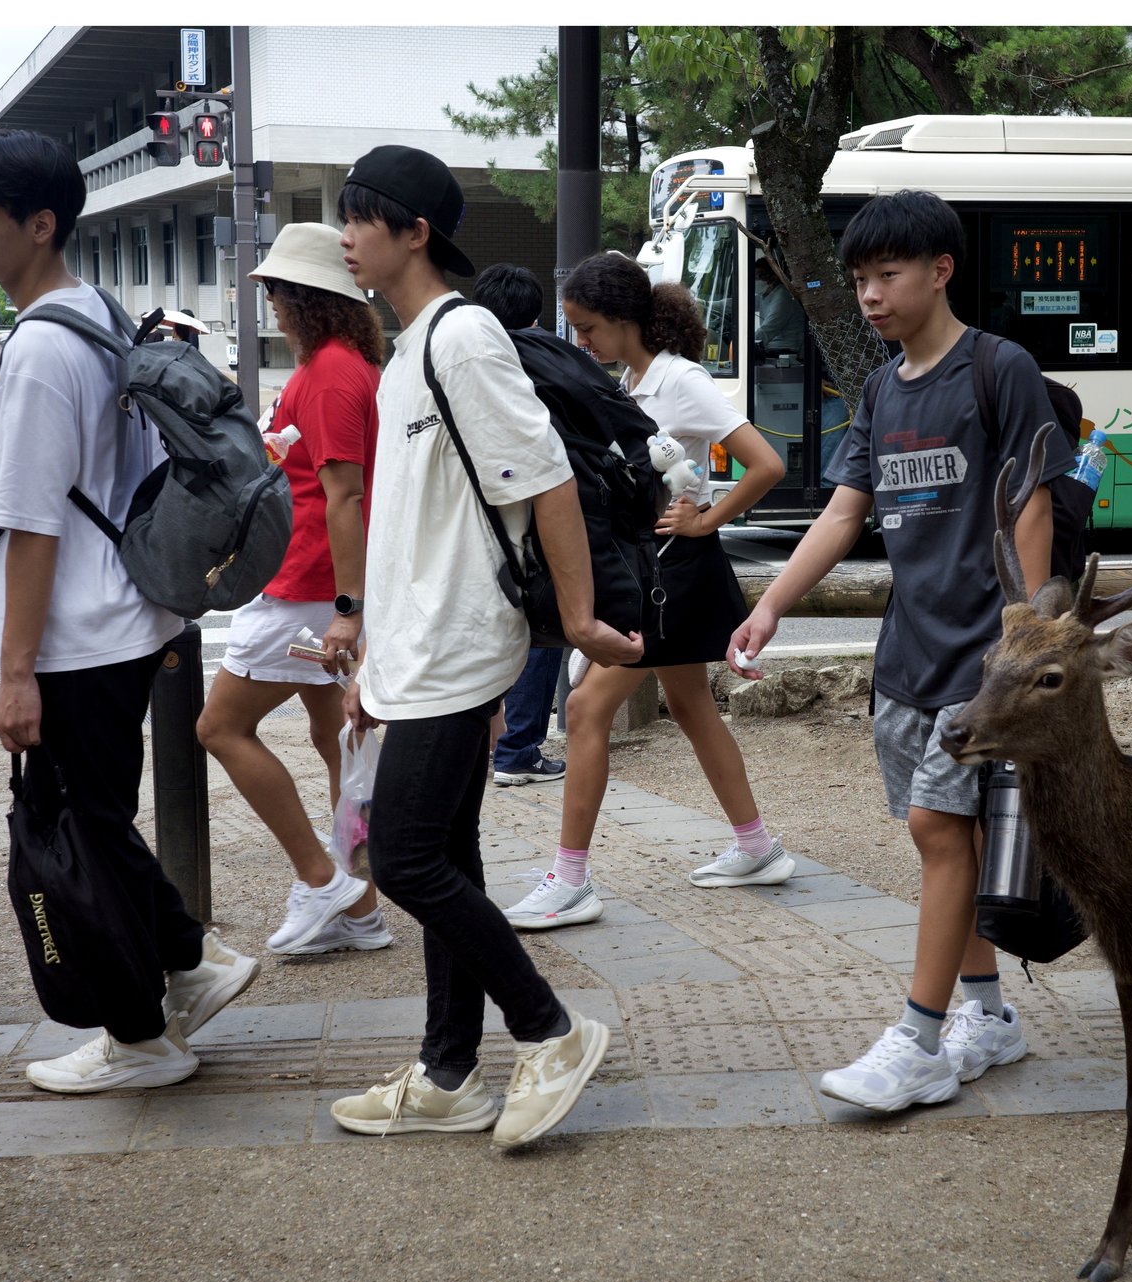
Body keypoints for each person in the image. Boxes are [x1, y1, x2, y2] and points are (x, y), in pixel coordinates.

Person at [729, 190, 1074, 1112]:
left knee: (935, 830)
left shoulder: (1000, 370)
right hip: (907, 659)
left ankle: (919, 1039)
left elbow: (1032, 500)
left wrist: (1022, 640)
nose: (871, 295)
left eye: (887, 275)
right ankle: (990, 1016)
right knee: (946, 839)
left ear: (940, 271)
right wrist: (772, 605)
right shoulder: (880, 390)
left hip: (982, 664)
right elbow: (844, 512)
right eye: (860, 280)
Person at [330, 144, 640, 1147]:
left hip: (460, 644)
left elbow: (542, 478)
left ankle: (549, 1028)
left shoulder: (460, 338)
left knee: (407, 858)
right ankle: (447, 1070)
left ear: (414, 232)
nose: (345, 236)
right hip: (417, 648)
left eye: (359, 217)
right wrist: (371, 660)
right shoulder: (409, 347)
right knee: (445, 852)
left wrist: (581, 618)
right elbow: (405, 528)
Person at [0, 129, 259, 1094]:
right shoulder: (96, 314)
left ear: (39, 226)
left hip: (76, 638)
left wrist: (13, 672)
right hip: (125, 616)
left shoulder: (42, 346)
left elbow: (33, 525)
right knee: (101, 822)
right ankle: (193, 965)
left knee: (79, 832)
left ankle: (140, 1039)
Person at [503, 251, 791, 932]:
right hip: (662, 567)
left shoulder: (679, 379)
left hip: (674, 567)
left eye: (588, 327)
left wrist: (706, 518)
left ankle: (570, 878)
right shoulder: (637, 378)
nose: (581, 343)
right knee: (690, 705)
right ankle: (755, 845)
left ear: (625, 319)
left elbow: (768, 462)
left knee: (584, 707)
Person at [198, 222, 391, 959]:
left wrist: (348, 609)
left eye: (278, 290)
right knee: (336, 738)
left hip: (308, 586)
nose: (270, 301)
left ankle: (324, 880)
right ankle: (360, 906)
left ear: (309, 297)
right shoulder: (343, 366)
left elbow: (346, 496)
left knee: (219, 727)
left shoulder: (333, 373)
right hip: (316, 580)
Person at [472, 262, 566, 787]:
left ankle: (494, 739)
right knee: (541, 633)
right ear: (533, 317)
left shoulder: (460, 359)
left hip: (473, 521)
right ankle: (518, 747)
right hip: (531, 520)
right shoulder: (538, 361)